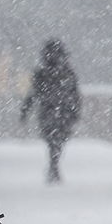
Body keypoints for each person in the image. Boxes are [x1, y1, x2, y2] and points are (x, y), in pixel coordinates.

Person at [20, 38, 81, 184]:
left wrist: (25, 110)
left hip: (49, 111)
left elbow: (33, 94)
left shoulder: (42, 73)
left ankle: (53, 164)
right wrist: (75, 111)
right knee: (58, 140)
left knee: (52, 140)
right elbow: (75, 95)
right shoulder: (67, 73)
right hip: (62, 112)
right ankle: (54, 164)